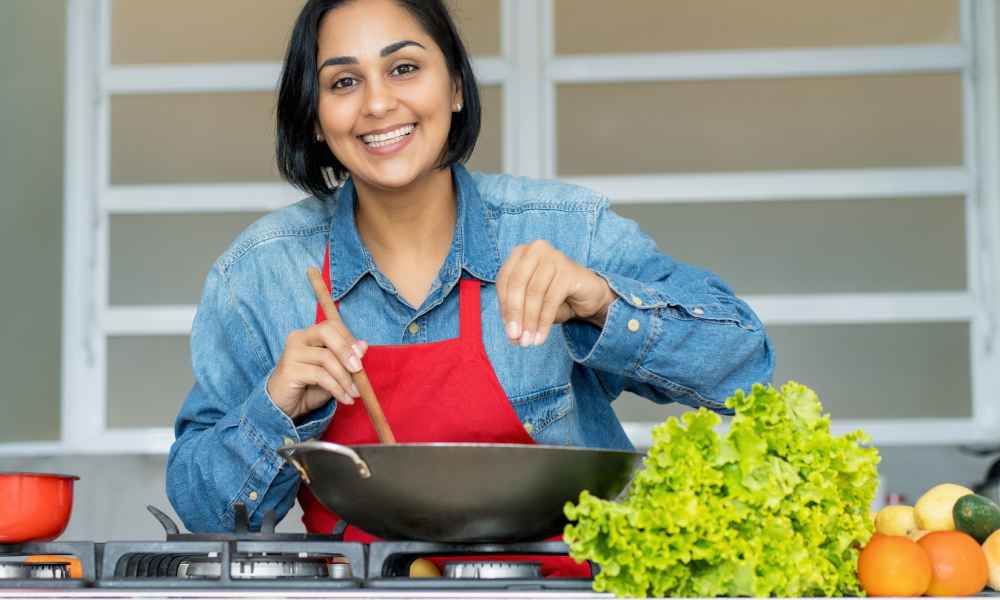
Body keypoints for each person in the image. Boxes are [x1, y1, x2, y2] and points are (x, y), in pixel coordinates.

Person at [166, 0, 773, 572]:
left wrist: (601, 302)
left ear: (455, 86)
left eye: (404, 68)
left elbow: (744, 364)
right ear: (317, 119)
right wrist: (273, 409)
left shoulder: (566, 229)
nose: (377, 104)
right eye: (343, 82)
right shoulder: (259, 273)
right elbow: (205, 513)